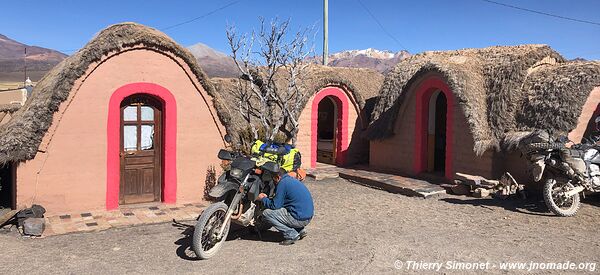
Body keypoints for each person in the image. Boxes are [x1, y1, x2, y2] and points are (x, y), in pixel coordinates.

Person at [257, 168, 314, 245]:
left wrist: (263, 199)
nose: (273, 181)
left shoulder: (282, 183)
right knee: (288, 209)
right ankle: (300, 230)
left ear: (277, 177)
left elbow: (275, 206)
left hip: (299, 219)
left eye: (273, 178)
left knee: (267, 213)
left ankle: (291, 235)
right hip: (307, 217)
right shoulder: (291, 180)